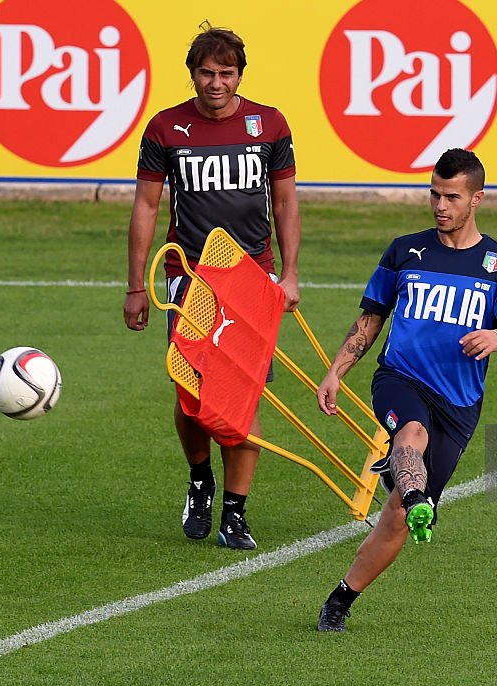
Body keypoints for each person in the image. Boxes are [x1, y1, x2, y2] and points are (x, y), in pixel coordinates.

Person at [313, 148, 497, 631]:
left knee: (393, 521)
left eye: (451, 196)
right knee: (410, 432)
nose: (439, 205)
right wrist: (335, 371)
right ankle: (414, 495)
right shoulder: (404, 250)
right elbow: (370, 319)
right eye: (434, 193)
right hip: (400, 378)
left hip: (460, 403)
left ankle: (341, 599)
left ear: (477, 199)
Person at [123, 26, 301, 551]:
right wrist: (138, 286)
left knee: (243, 399)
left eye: (226, 73)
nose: (216, 83)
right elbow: (146, 207)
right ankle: (200, 480)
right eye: (207, 72)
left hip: (252, 279)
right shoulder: (164, 128)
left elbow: (287, 202)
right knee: (193, 396)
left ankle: (235, 512)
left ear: (240, 75)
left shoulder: (269, 124)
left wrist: (289, 274)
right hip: (191, 279)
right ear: (193, 74)